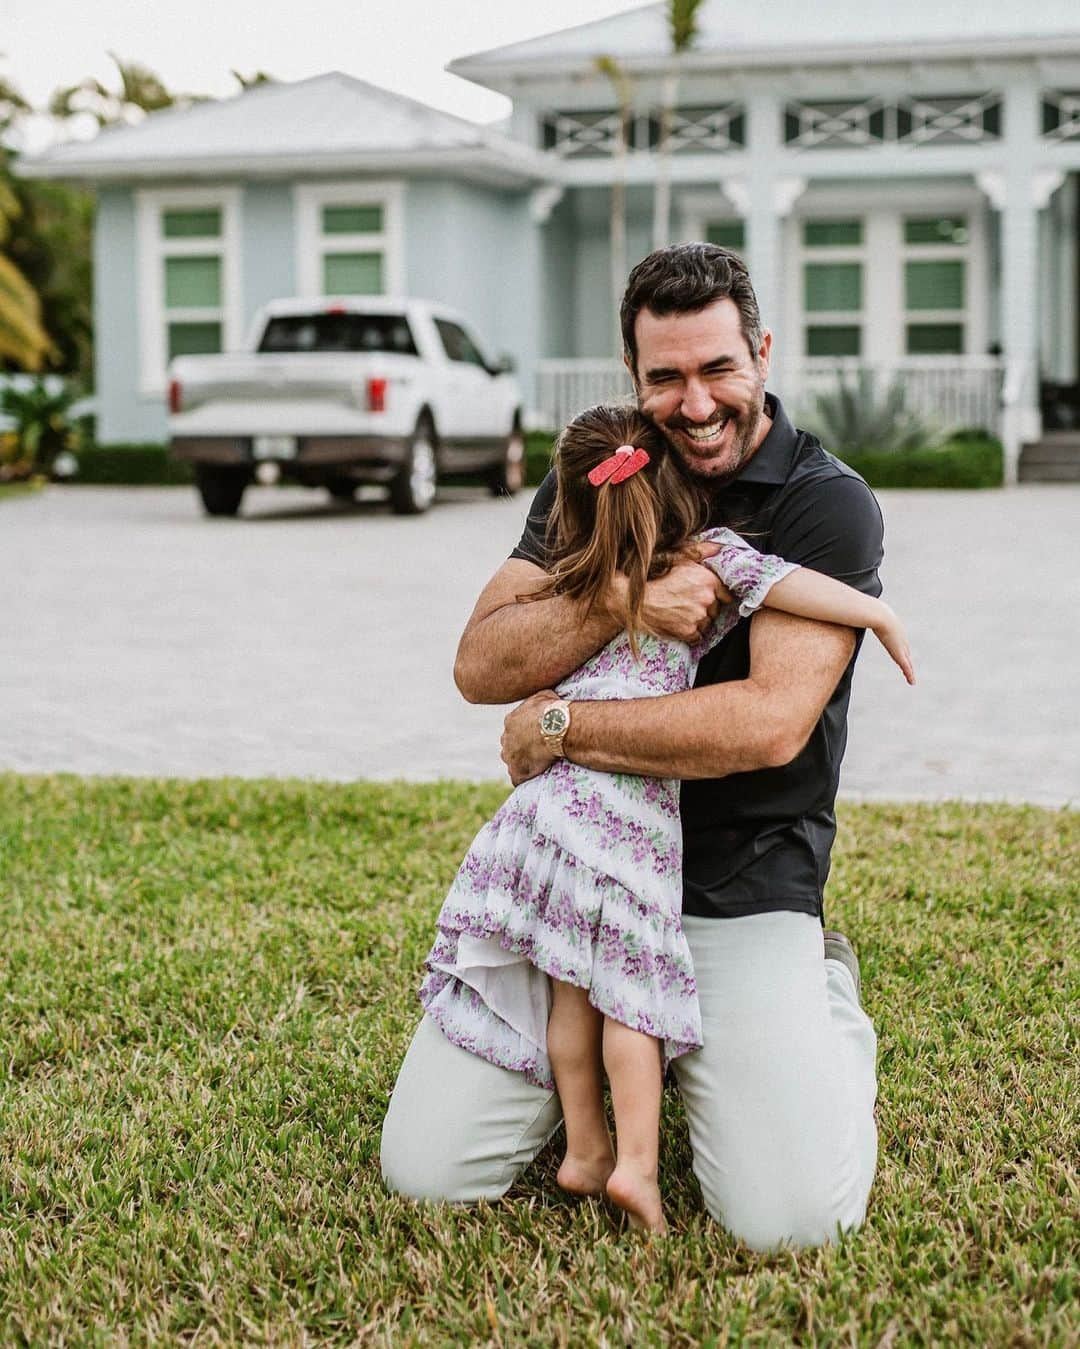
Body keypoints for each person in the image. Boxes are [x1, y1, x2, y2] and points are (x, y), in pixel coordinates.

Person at [382, 243, 893, 1251]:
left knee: (793, 1218)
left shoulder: (822, 502)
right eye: (667, 376)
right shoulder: (602, 470)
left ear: (763, 352)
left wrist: (560, 724)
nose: (695, 403)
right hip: (584, 872)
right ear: (635, 377)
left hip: (733, 884)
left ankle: (822, 995)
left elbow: (766, 722)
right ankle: (610, 1090)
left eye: (719, 369)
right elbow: (482, 659)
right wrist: (623, 597)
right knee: (427, 1170)